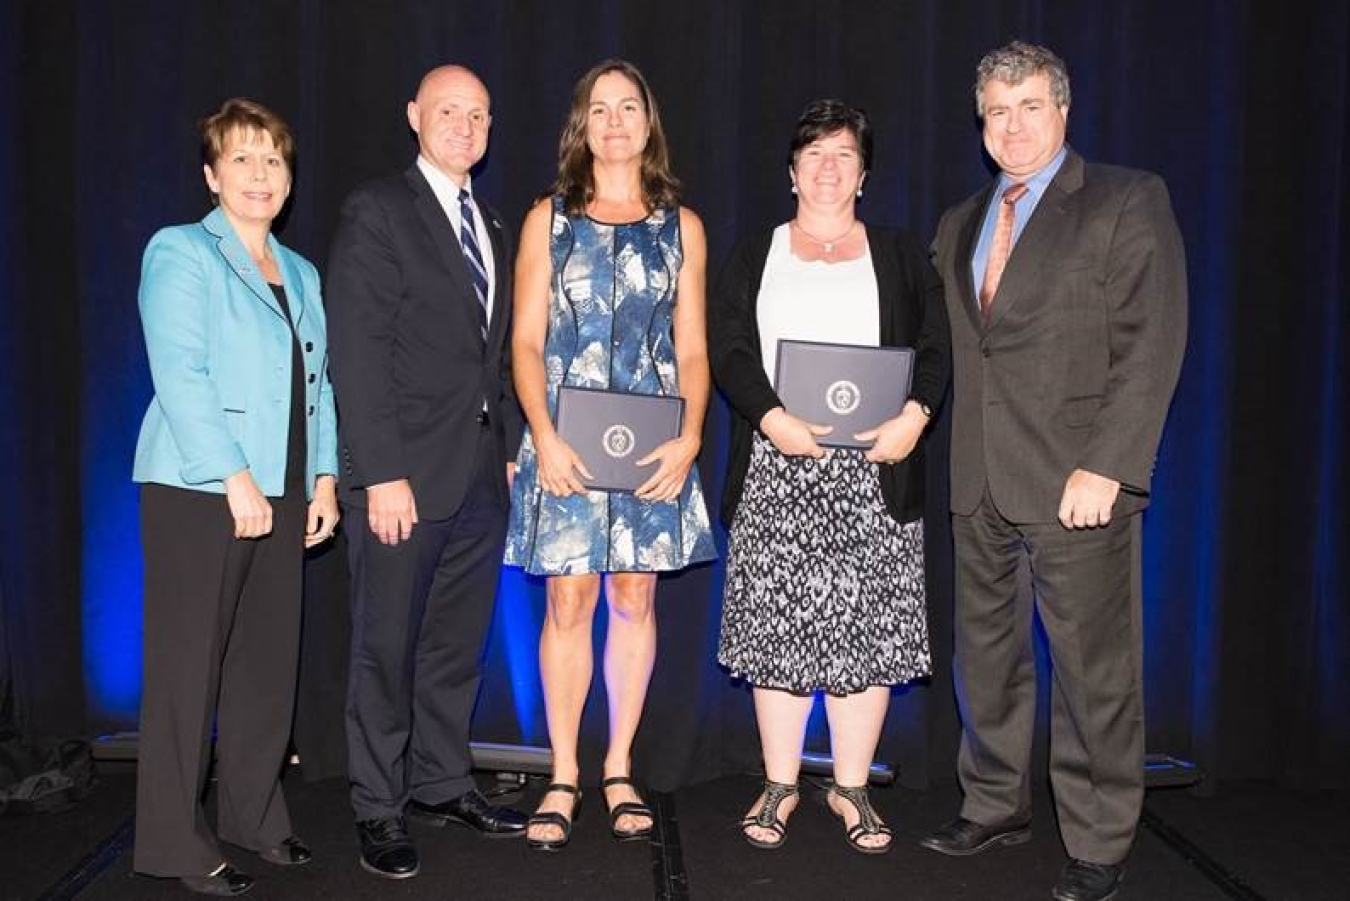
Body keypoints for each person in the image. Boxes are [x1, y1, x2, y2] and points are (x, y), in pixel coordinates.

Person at [920, 42, 1187, 901]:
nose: (1012, 125)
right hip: (979, 482)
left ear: (1063, 111)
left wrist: (1108, 464)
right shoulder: (961, 221)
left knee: (1092, 669)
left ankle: (1101, 836)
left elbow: (1153, 344)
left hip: (1078, 482)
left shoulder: (1124, 199)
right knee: (986, 663)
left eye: (1029, 105)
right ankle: (995, 800)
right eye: (996, 110)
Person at [709, 99, 950, 854]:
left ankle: (851, 788)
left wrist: (915, 416)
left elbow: (937, 348)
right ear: (791, 171)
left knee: (867, 632)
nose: (828, 167)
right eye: (814, 154)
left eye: (843, 154)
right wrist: (771, 417)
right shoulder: (757, 253)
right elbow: (730, 350)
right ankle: (779, 781)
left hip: (876, 471)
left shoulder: (904, 254)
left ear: (864, 174)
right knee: (778, 626)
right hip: (779, 463)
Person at [504, 58, 717, 851]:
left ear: (648, 123)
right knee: (568, 603)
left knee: (633, 597)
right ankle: (564, 773)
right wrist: (543, 434)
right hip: (563, 443)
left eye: (630, 107)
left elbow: (692, 350)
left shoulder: (681, 226)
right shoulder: (547, 221)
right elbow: (525, 341)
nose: (616, 121)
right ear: (582, 125)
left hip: (653, 447)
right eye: (602, 109)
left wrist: (691, 434)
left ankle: (618, 767)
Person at [132, 98, 338, 896]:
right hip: (198, 486)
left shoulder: (304, 273)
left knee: (265, 664)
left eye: (273, 161)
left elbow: (319, 388)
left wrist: (322, 476)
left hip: (284, 488)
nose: (260, 175)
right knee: (187, 670)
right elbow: (179, 373)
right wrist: (233, 476)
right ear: (212, 175)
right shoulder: (182, 253)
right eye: (242, 160)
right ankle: (173, 841)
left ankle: (253, 813)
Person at [325, 64, 527, 880]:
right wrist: (380, 473)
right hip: (402, 479)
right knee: (385, 646)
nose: (464, 126)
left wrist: (509, 448)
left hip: (479, 476)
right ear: (414, 115)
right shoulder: (376, 211)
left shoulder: (493, 223)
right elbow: (358, 351)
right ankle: (378, 804)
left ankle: (442, 781)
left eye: (478, 114)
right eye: (448, 111)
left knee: (453, 646)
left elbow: (494, 358)